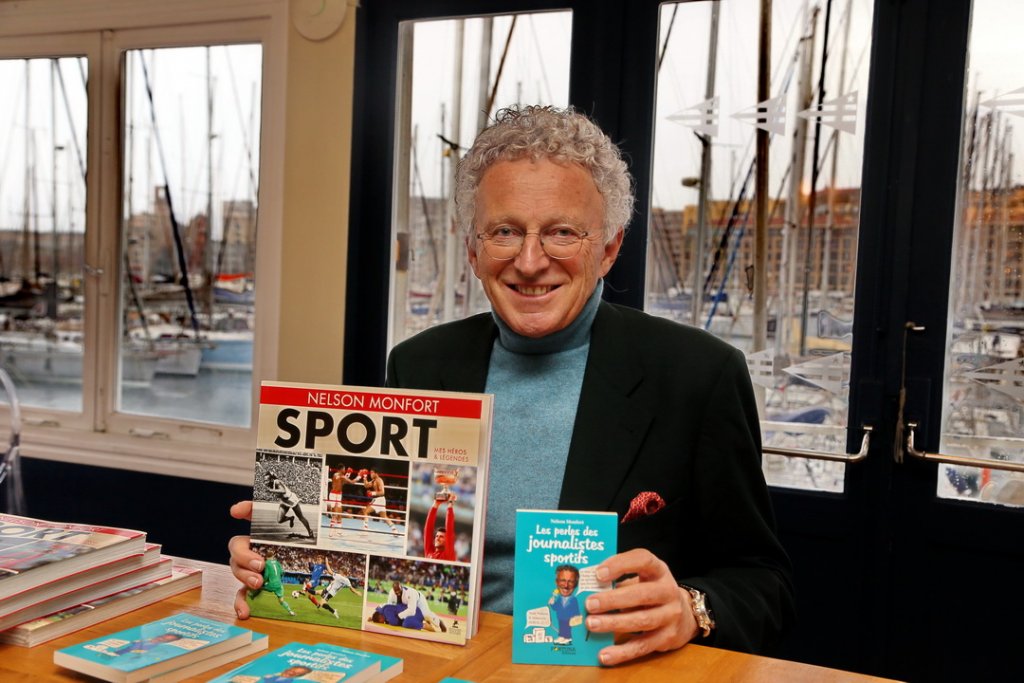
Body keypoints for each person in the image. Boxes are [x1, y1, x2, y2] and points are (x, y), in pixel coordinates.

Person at [231, 104, 794, 665]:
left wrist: (691, 608)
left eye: (562, 232)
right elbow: (382, 547)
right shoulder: (420, 366)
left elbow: (761, 584)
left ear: (609, 248)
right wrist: (284, 559)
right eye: (504, 231)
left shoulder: (698, 374)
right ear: (474, 250)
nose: (529, 260)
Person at [264, 471, 314, 539]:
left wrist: (271, 490)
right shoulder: (271, 484)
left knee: (300, 517)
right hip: (284, 501)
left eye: (266, 480)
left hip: (291, 500)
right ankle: (291, 518)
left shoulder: (277, 482)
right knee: (279, 520)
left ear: (271, 479)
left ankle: (310, 532)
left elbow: (283, 491)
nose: (265, 482)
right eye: (265, 480)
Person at [249, 546, 295, 616]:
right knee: (281, 601)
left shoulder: (267, 563)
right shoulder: (277, 562)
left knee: (259, 586)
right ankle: (290, 611)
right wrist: (279, 579)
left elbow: (267, 575)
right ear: (272, 556)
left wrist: (264, 582)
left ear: (267, 557)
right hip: (279, 585)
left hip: (271, 584)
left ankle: (252, 596)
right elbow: (282, 572)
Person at [548, 564, 581, 644]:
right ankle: (561, 637)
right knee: (562, 627)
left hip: (569, 619)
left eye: (571, 582)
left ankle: (568, 638)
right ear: (556, 582)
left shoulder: (573, 599)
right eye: (563, 580)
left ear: (576, 584)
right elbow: (556, 608)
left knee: (567, 628)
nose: (566, 586)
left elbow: (576, 610)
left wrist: (575, 617)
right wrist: (552, 603)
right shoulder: (559, 598)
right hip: (560, 617)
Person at [359, 468, 399, 534]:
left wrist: (372, 493)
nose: (371, 474)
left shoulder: (379, 480)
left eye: (372, 473)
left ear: (376, 473)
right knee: (384, 516)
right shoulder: (374, 480)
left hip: (379, 499)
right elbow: (366, 485)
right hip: (379, 500)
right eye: (370, 473)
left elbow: (382, 492)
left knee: (365, 511)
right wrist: (365, 477)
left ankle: (365, 528)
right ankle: (394, 529)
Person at [423, 492, 456, 560]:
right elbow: (427, 531)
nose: (437, 538)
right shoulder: (429, 553)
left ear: (447, 540)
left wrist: (450, 504)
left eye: (441, 537)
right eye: (437, 536)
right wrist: (435, 504)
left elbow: (449, 529)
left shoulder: (448, 555)